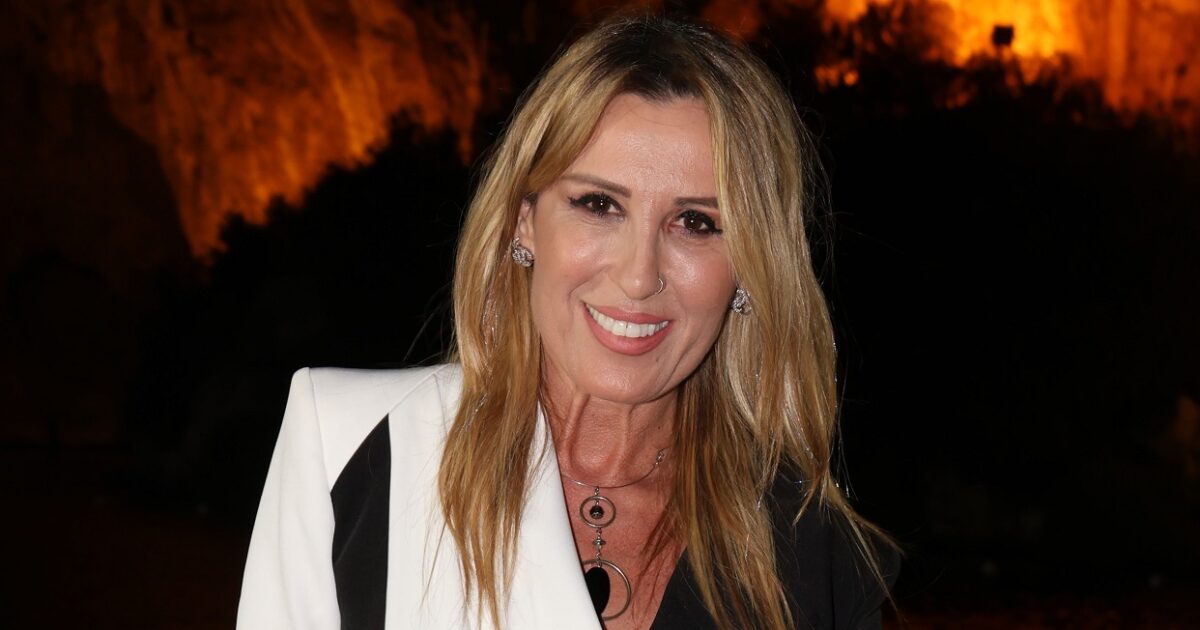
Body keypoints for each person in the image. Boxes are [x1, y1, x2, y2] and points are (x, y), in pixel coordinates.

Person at [237, 13, 897, 630]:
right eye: (599, 205)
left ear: (751, 266)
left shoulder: (814, 553)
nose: (639, 276)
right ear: (524, 220)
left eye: (697, 222)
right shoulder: (355, 449)